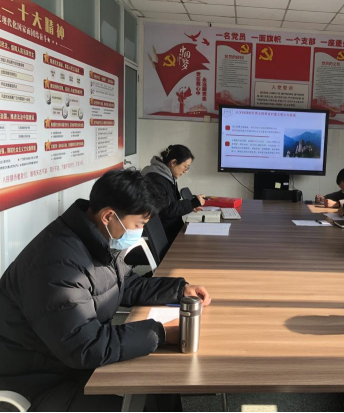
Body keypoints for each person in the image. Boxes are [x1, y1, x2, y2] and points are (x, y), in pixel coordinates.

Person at [0, 169, 212, 411]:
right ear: (108, 216)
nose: (140, 231)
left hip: (68, 361)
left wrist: (179, 289)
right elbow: (85, 345)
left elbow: (124, 284)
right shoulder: (57, 264)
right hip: (40, 382)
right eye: (138, 224)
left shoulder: (93, 239)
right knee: (148, 402)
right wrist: (161, 333)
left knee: (160, 385)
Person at [142, 144, 206, 243]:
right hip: (165, 235)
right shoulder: (155, 179)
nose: (185, 171)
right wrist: (191, 203)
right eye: (185, 166)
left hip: (171, 230)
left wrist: (191, 205)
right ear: (173, 162)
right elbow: (165, 211)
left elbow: (171, 203)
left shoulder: (166, 176)